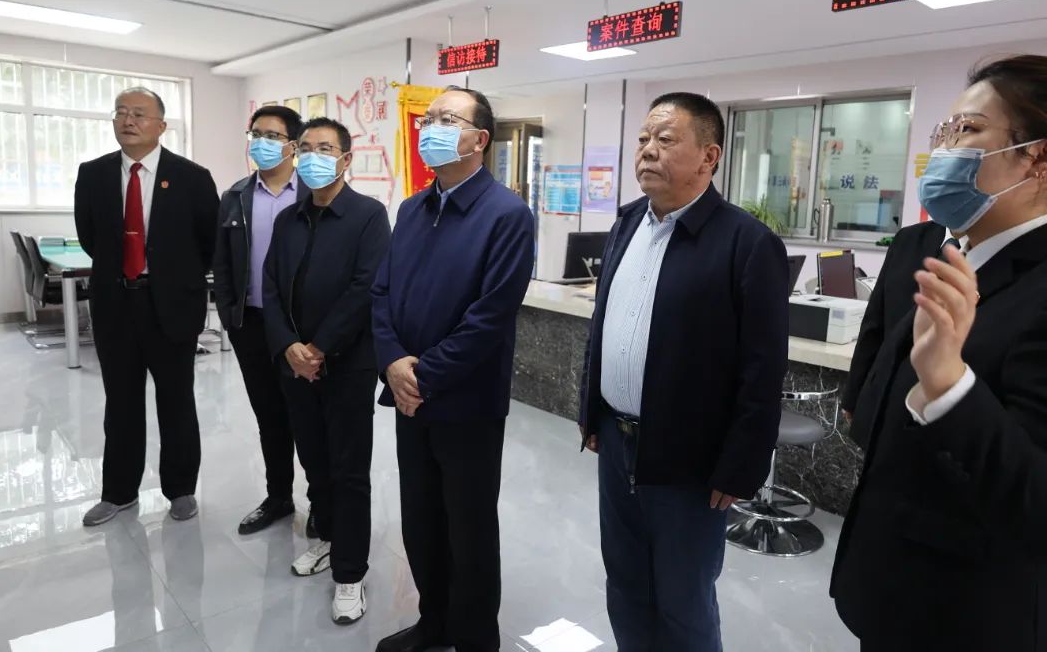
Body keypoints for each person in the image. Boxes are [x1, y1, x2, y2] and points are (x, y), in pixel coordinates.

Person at [830, 54, 1047, 650]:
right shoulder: (955, 254)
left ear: (1037, 158)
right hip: (892, 584)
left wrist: (951, 385)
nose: (946, 150)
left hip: (966, 613)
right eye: (944, 132)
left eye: (968, 130)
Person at [578, 92, 788, 651]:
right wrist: (591, 413)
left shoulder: (747, 243)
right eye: (644, 138)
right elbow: (603, 327)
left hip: (691, 459)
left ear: (709, 157)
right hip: (617, 441)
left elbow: (763, 370)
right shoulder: (626, 223)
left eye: (666, 139)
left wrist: (741, 466)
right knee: (625, 584)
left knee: (682, 599)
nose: (647, 150)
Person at [372, 86, 534, 652]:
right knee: (420, 518)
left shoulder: (507, 214)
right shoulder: (412, 209)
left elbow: (490, 316)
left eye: (447, 119)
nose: (431, 128)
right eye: (429, 119)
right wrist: (392, 362)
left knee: (469, 527)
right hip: (409, 398)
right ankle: (433, 620)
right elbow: (381, 293)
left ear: (479, 139)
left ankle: (474, 638)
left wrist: (422, 376)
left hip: (466, 403)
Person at [261, 117, 390, 624]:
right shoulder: (288, 220)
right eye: (306, 148)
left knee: (349, 470)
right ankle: (330, 539)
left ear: (346, 159)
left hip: (348, 365)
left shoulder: (368, 216)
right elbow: (271, 289)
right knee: (314, 461)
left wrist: (317, 348)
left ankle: (350, 573)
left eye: (325, 148)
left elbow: (366, 288)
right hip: (296, 367)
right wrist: (289, 348)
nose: (314, 156)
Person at [74, 87, 218, 527]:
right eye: (121, 112)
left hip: (171, 304)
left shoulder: (192, 177)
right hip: (116, 302)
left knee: (177, 401)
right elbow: (90, 238)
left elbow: (208, 242)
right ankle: (118, 492)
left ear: (161, 125)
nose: (128, 120)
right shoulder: (93, 174)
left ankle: (181, 489)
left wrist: (172, 277)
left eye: (139, 113)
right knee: (120, 402)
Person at [214, 105, 309, 535]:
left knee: (306, 415)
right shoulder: (235, 196)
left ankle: (321, 501)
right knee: (268, 415)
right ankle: (278, 497)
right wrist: (230, 317)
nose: (261, 143)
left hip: (300, 328)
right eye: (256, 134)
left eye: (272, 136)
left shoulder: (312, 193)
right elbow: (222, 263)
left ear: (293, 145)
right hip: (251, 324)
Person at [841, 219, 958, 447]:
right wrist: (854, 394)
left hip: (943, 422)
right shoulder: (908, 239)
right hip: (885, 403)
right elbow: (875, 320)